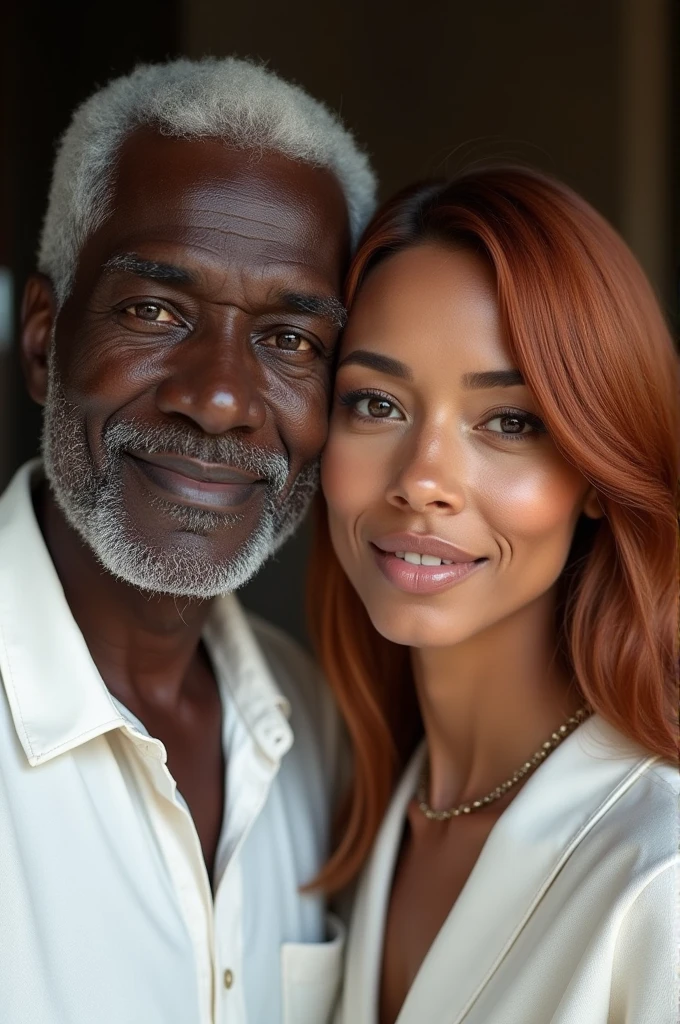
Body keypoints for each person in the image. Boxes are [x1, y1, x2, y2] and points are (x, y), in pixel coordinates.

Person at [0, 57, 376, 1024]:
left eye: (291, 338)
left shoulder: (323, 732)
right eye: (156, 311)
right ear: (45, 341)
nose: (217, 401)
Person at [309, 167, 679, 1023]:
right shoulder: (358, 823)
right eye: (375, 404)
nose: (424, 481)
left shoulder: (656, 872)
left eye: (508, 422)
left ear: (596, 470)